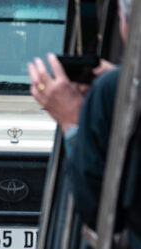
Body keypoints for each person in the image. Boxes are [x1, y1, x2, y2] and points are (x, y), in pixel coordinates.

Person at [27, 0, 131, 228]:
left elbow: (102, 213)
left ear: (128, 25)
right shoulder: (116, 84)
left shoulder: (109, 88)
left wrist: (72, 122)